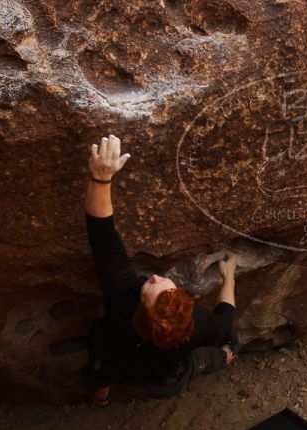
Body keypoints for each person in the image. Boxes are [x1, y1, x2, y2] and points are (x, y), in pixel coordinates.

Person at [83, 134, 239, 405]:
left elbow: (103, 238)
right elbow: (225, 320)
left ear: (139, 310)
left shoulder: (122, 298)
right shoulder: (198, 327)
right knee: (209, 356)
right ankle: (227, 357)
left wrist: (101, 177)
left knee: (101, 365)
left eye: (152, 284)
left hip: (116, 365)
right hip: (164, 381)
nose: (157, 276)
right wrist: (229, 278)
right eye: (164, 284)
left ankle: (101, 396)